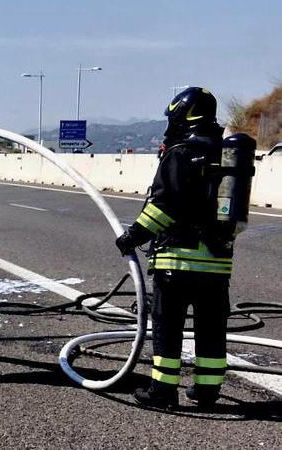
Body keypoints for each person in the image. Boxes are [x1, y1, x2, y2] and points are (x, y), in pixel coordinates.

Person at [115, 87, 231, 409]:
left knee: (168, 328)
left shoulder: (180, 152)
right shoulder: (225, 153)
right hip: (217, 263)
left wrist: (134, 236)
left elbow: (164, 208)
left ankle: (163, 392)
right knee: (211, 329)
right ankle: (207, 391)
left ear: (183, 114)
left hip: (177, 262)